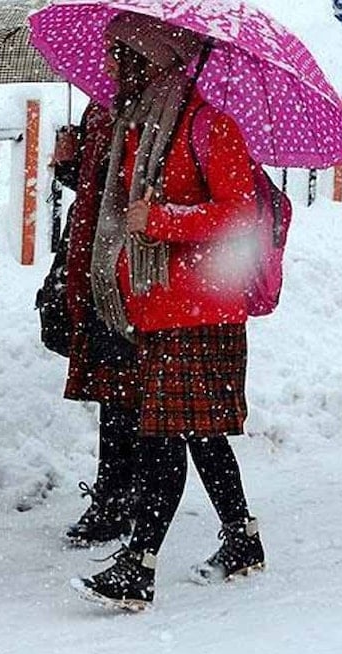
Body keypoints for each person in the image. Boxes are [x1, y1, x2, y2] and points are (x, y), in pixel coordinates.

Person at [71, 13, 267, 611]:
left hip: (200, 311)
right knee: (201, 435)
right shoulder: (142, 126)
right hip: (158, 309)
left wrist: (161, 220)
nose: (110, 68)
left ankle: (139, 566)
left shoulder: (210, 125)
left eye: (119, 55)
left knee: (161, 439)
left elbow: (241, 216)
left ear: (150, 60)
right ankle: (242, 538)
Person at [48, 100, 145, 548]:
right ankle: (119, 494)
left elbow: (128, 186)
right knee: (114, 390)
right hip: (95, 264)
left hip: (124, 264)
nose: (106, 66)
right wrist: (70, 163)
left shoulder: (141, 110)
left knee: (125, 389)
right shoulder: (100, 109)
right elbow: (92, 188)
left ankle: (120, 498)